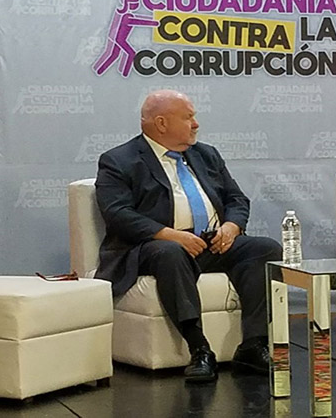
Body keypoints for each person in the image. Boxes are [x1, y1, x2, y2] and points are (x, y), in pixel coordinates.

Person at [94, 90, 282, 382]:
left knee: (265, 249)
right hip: (151, 247)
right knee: (171, 252)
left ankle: (253, 345)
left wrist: (231, 227)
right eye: (188, 117)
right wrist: (170, 235)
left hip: (209, 243)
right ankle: (199, 349)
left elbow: (236, 199)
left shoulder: (206, 154)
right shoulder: (119, 160)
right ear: (161, 123)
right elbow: (118, 214)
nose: (196, 124)